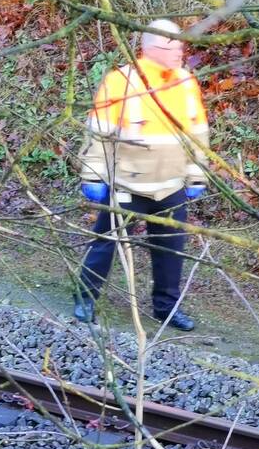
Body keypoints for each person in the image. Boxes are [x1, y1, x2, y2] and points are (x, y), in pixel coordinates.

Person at [73, 19, 210, 330]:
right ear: (151, 48)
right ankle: (85, 298)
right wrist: (93, 176)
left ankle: (167, 308)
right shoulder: (120, 82)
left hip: (171, 186)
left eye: (181, 46)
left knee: (170, 250)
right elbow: (99, 133)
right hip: (127, 184)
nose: (180, 52)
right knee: (106, 242)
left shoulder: (186, 82)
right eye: (172, 47)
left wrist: (196, 174)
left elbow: (197, 134)